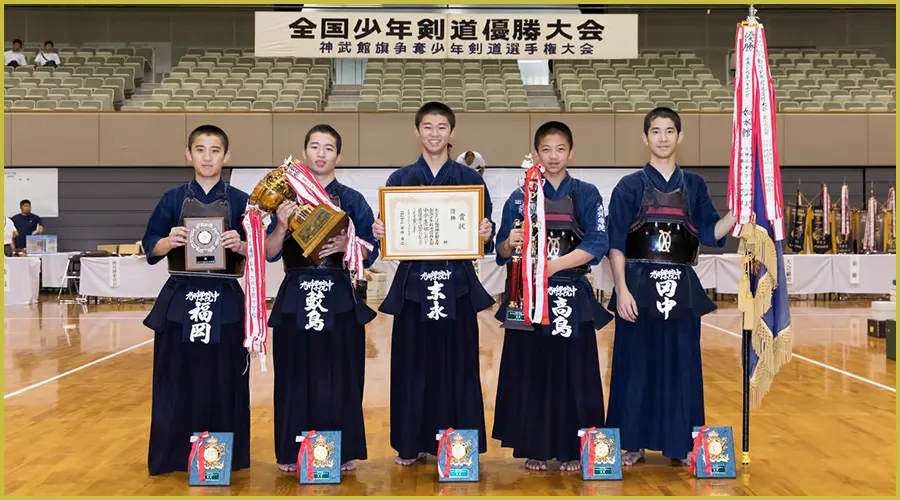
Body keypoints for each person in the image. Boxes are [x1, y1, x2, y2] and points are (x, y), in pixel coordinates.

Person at [604, 107, 737, 467]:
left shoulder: (693, 185)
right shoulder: (628, 186)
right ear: (644, 138)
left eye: (669, 131)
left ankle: (682, 443)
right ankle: (631, 442)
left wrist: (738, 211)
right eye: (655, 131)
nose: (662, 138)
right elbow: (615, 242)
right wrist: (622, 289)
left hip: (681, 289)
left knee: (683, 366)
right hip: (637, 286)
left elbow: (710, 232)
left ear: (680, 137)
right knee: (635, 367)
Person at [372, 102, 496, 466]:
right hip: (414, 286)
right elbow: (388, 233)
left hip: (456, 285)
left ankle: (459, 442)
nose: (435, 134)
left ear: (452, 133)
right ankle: (412, 442)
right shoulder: (399, 180)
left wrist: (486, 232)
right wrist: (382, 231)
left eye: (442, 127)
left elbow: (486, 237)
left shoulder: (472, 180)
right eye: (428, 127)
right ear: (417, 132)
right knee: (413, 365)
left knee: (458, 365)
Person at [492, 121, 613, 472]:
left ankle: (575, 447)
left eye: (560, 149)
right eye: (546, 149)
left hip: (571, 296)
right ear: (537, 153)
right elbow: (500, 248)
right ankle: (536, 446)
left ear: (570, 152)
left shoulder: (586, 193)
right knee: (532, 370)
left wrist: (552, 266)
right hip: (527, 295)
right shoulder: (521, 195)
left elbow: (597, 242)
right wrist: (510, 242)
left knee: (575, 372)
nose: (553, 156)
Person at [266, 125, 379, 474]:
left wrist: (350, 246)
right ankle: (291, 449)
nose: (321, 153)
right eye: (314, 146)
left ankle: (340, 450)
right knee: (292, 374)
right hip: (295, 293)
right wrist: (282, 227)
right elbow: (269, 253)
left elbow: (372, 252)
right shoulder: (286, 198)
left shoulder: (352, 199)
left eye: (328, 148)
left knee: (341, 374)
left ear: (338, 156)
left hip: (339, 294)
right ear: (304, 153)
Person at [141, 125, 251, 476]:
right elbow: (150, 249)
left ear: (226, 156)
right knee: (176, 380)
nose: (207, 156)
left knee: (224, 380)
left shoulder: (242, 200)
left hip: (225, 300)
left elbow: (263, 255)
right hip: (180, 299)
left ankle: (221, 457)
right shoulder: (172, 199)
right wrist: (168, 240)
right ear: (189, 155)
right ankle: (174, 455)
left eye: (215, 150)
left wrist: (241, 245)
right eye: (200, 150)